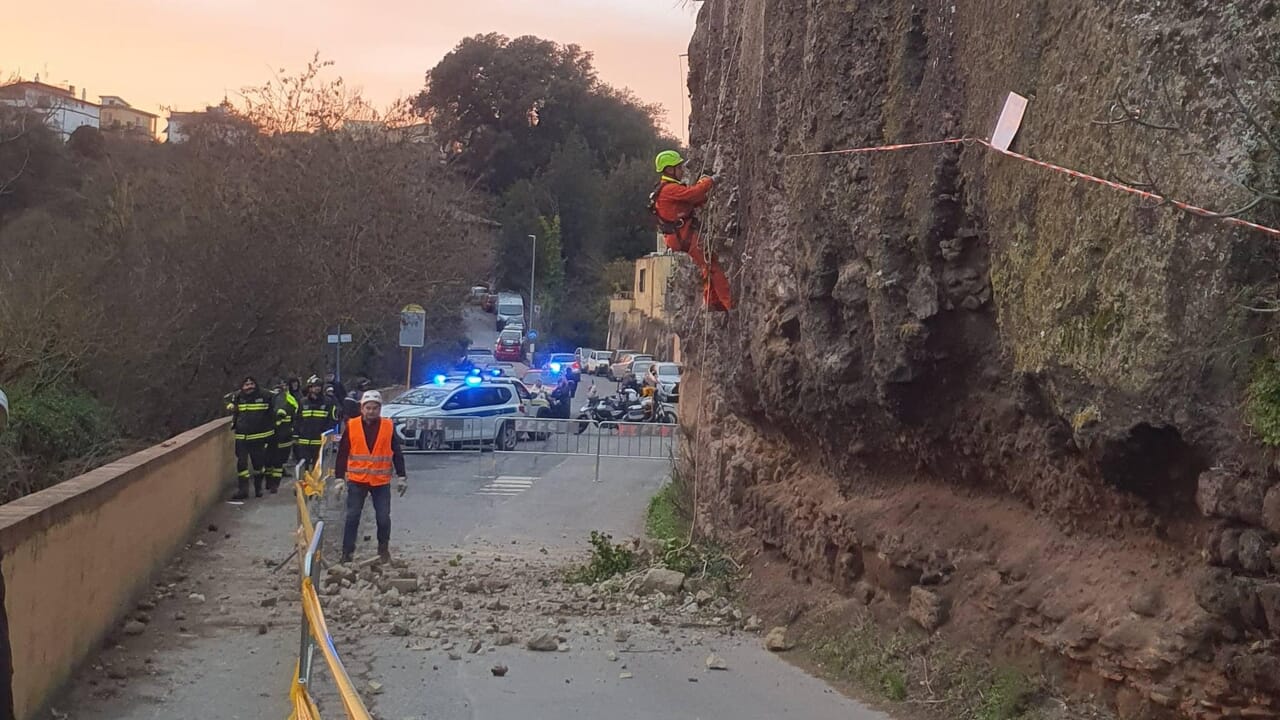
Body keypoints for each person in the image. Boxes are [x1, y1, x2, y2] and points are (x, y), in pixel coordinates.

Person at [650, 149, 733, 311]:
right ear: (670, 170)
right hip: (683, 236)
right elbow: (692, 194)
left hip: (679, 235)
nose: (682, 170)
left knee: (707, 263)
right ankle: (727, 303)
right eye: (679, 168)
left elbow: (691, 200)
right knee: (711, 264)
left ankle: (712, 301)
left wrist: (703, 193)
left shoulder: (668, 189)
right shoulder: (669, 189)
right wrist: (709, 182)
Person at [335, 391, 407, 563]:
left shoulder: (387, 426)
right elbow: (343, 453)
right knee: (352, 517)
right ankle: (347, 553)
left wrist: (402, 476)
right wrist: (339, 478)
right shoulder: (352, 425)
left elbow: (397, 452)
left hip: (380, 482)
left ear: (380, 409)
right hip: (357, 480)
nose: (371, 411)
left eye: (375, 408)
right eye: (368, 408)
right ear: (362, 408)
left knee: (383, 518)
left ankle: (383, 550)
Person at [226, 376, 274, 499]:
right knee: (241, 464)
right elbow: (227, 399)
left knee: (258, 465)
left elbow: (275, 406)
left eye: (252, 384)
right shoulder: (238, 396)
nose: (249, 387)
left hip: (258, 436)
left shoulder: (265, 395)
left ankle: (258, 488)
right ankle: (243, 490)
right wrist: (231, 405)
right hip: (242, 436)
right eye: (246, 385)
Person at [296, 375, 338, 469]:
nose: (317, 388)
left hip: (320, 440)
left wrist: (325, 432)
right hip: (304, 441)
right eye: (314, 386)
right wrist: (297, 433)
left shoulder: (328, 402)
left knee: (318, 467)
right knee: (303, 467)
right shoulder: (302, 402)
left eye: (319, 386)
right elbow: (297, 419)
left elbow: (333, 419)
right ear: (309, 388)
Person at [266, 379, 297, 492]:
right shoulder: (269, 398)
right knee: (268, 460)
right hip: (271, 433)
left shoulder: (289, 398)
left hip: (283, 433)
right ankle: (270, 482)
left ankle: (275, 484)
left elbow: (295, 412)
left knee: (278, 461)